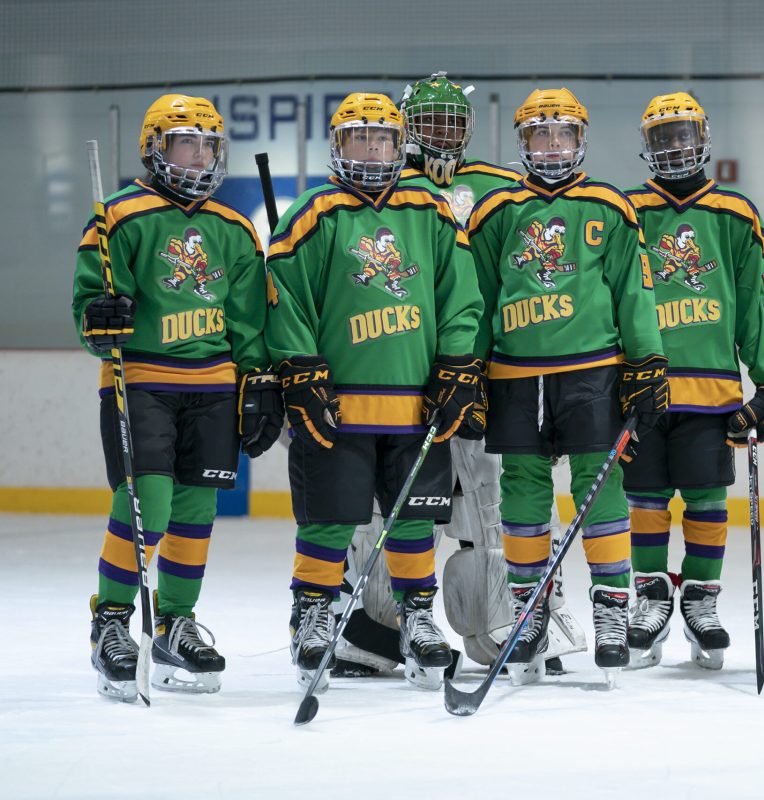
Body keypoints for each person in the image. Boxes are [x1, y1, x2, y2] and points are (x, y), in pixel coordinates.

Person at [330, 73, 587, 679]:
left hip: (485, 373)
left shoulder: (503, 187)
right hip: (397, 372)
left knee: (488, 504)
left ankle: (504, 623)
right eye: (430, 120)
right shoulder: (383, 191)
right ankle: (376, 627)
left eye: (453, 120)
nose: (443, 133)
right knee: (383, 506)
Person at [265, 92, 483, 693]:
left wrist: (455, 364)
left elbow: (460, 296)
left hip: (415, 403)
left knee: (416, 518)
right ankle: (311, 610)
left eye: (384, 139)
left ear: (400, 144)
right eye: (361, 138)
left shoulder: (431, 209)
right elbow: (286, 299)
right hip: (339, 404)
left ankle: (417, 615)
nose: (374, 149)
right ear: (338, 145)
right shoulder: (315, 212)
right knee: (331, 517)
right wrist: (300, 367)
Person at [73, 93, 281, 701]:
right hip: (141, 383)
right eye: (186, 142)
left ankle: (173, 622)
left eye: (209, 144)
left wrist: (258, 380)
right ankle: (111, 620)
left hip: (213, 389)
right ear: (156, 148)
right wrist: (100, 317)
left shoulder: (234, 227)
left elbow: (247, 322)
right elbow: (90, 308)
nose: (198, 155)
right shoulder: (120, 217)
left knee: (195, 514)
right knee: (149, 506)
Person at [467, 87, 668, 684]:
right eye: (540, 134)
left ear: (580, 140)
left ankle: (611, 610)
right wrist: (466, 368)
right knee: (523, 489)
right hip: (515, 373)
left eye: (563, 134)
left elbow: (636, 291)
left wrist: (647, 361)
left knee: (600, 483)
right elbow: (477, 299)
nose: (552, 146)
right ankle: (529, 611)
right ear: (522, 141)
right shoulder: (497, 212)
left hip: (592, 370)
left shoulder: (610, 207)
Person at [623, 92, 764, 670]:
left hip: (710, 392)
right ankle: (650, 596)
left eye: (683, 135)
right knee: (645, 499)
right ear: (646, 147)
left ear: (703, 137)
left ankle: (700, 598)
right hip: (644, 388)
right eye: (662, 137)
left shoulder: (736, 213)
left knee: (704, 498)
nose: (674, 147)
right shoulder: (625, 210)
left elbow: (758, 304)